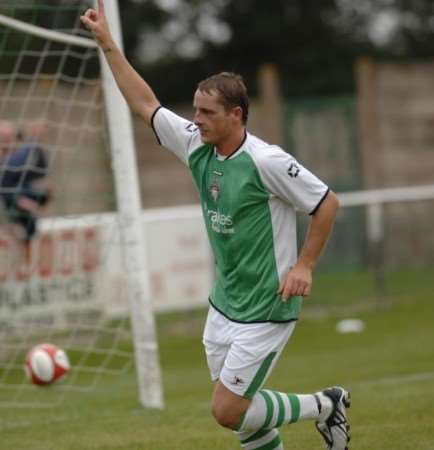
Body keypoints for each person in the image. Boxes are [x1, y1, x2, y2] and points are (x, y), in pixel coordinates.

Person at [81, 2, 350, 449]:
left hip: (268, 303)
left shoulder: (267, 161)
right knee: (244, 417)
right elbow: (144, 103)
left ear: (236, 115)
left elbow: (326, 203)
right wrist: (107, 42)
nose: (196, 119)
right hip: (225, 301)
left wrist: (304, 265)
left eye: (207, 113)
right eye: (196, 110)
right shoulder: (196, 145)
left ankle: (325, 405)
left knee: (227, 409)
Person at [0, 119, 51, 246]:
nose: (7, 142)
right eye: (3, 138)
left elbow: (42, 170)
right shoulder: (12, 162)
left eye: (10, 137)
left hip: (21, 221)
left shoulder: (18, 163)